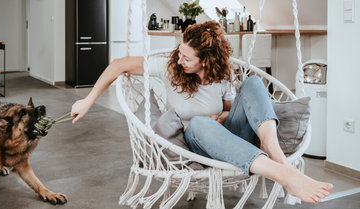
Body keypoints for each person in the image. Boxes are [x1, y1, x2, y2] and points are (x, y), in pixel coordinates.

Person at [71, 21, 333, 204]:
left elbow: (235, 109)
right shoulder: (170, 68)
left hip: (233, 137)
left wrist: (220, 118)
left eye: (187, 57)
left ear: (206, 60)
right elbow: (119, 64)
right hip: (199, 142)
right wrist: (87, 100)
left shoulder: (223, 75)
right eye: (180, 53)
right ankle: (284, 174)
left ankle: (274, 152)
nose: (179, 59)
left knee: (252, 83)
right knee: (197, 123)